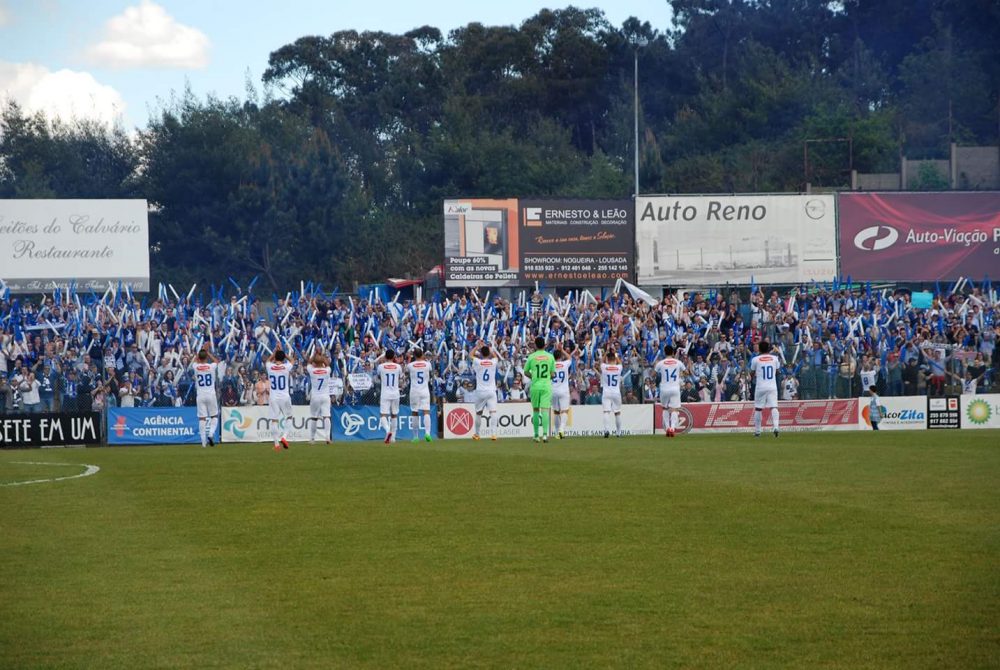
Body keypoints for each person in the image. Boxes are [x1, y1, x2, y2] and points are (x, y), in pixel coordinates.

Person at [523, 336, 555, 443]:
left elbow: (526, 372)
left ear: (535, 345)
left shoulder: (532, 357)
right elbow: (553, 374)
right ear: (545, 345)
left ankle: (536, 435)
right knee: (545, 410)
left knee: (536, 410)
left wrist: (533, 377)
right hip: (546, 386)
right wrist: (547, 377)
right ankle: (545, 435)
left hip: (535, 386)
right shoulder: (550, 357)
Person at [266, 344, 295, 451]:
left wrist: (275, 352)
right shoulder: (286, 367)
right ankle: (284, 437)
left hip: (273, 397)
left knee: (274, 420)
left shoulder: (269, 367)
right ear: (283, 358)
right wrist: (283, 352)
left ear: (275, 357)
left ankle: (277, 444)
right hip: (285, 396)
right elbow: (292, 360)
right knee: (289, 417)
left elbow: (268, 360)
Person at [749, 340, 780, 438]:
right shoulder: (775, 358)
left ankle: (758, 431)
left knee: (758, 408)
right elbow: (778, 371)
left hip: (760, 386)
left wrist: (753, 376)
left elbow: (752, 373)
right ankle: (776, 427)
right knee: (774, 407)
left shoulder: (755, 359)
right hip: (772, 386)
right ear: (768, 348)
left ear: (759, 349)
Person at [191, 345, 220, 448]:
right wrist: (208, 353)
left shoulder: (196, 367)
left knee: (202, 419)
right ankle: (211, 433)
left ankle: (203, 443)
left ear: (199, 358)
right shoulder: (211, 366)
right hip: (211, 394)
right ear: (206, 357)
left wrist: (200, 352)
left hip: (200, 395)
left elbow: (194, 360)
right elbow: (217, 361)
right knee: (214, 416)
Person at [470, 342, 499, 441]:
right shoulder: (493, 362)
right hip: (491, 391)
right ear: (489, 354)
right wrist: (490, 349)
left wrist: (477, 347)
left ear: (481, 354)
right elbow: (495, 356)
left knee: (478, 413)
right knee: (493, 412)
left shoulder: (478, 361)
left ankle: (477, 434)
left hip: (480, 391)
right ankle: (494, 434)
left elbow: (470, 355)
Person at [654, 345, 684, 438]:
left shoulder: (661, 363)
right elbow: (686, 372)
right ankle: (672, 428)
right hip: (675, 388)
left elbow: (653, 374)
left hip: (664, 388)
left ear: (664, 352)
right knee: (674, 409)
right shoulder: (678, 362)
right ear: (673, 352)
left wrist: (656, 366)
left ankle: (667, 428)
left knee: (665, 408)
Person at [406, 348, 434, 443]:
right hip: (425, 391)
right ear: (422, 355)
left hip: (414, 391)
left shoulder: (410, 365)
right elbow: (429, 369)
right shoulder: (427, 364)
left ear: (414, 355)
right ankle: (427, 433)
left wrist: (409, 358)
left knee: (415, 413)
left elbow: (406, 369)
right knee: (426, 412)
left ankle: (415, 437)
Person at [376, 348, 402, 444]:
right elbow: (400, 377)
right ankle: (393, 437)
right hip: (395, 393)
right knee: (394, 415)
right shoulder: (398, 367)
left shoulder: (381, 367)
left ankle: (388, 431)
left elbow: (379, 377)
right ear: (394, 356)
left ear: (385, 356)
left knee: (383, 414)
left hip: (385, 393)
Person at [306, 352, 332, 445]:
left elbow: (308, 363)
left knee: (314, 418)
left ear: (314, 363)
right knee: (326, 416)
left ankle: (312, 439)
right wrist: (323, 357)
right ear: (323, 362)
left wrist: (314, 355)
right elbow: (328, 364)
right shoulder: (327, 371)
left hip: (315, 396)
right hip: (325, 396)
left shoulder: (312, 371)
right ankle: (327, 437)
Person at [551, 344, 574, 439]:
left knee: (556, 412)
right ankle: (561, 430)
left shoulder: (550, 365)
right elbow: (570, 358)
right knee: (564, 411)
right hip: (564, 390)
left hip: (553, 390)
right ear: (561, 357)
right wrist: (562, 350)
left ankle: (557, 433)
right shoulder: (565, 364)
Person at [600, 350, 624, 438]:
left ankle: (606, 430)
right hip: (616, 392)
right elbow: (620, 363)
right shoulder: (618, 368)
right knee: (617, 412)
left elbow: (601, 361)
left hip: (606, 392)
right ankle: (619, 432)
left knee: (606, 411)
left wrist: (606, 353)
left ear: (607, 359)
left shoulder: (604, 367)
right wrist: (616, 355)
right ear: (614, 359)